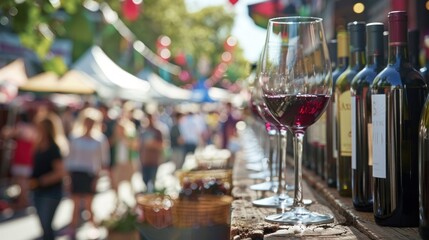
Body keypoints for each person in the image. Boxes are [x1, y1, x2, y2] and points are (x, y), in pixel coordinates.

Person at [66, 108, 109, 232]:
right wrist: (68, 178)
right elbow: (69, 159)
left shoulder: (100, 140)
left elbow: (103, 161)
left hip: (91, 175)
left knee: (89, 205)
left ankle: (93, 229)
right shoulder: (74, 138)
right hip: (76, 174)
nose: (89, 124)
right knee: (75, 204)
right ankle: (72, 229)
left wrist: (97, 178)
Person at [29, 112, 69, 240]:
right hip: (38, 191)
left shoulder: (54, 148)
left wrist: (41, 181)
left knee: (47, 226)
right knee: (43, 225)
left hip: (51, 192)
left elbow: (60, 172)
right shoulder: (38, 145)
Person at [139, 113, 163, 193]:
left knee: (152, 180)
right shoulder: (143, 131)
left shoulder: (158, 131)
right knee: (145, 179)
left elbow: (162, 145)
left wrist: (152, 144)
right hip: (144, 160)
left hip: (154, 160)